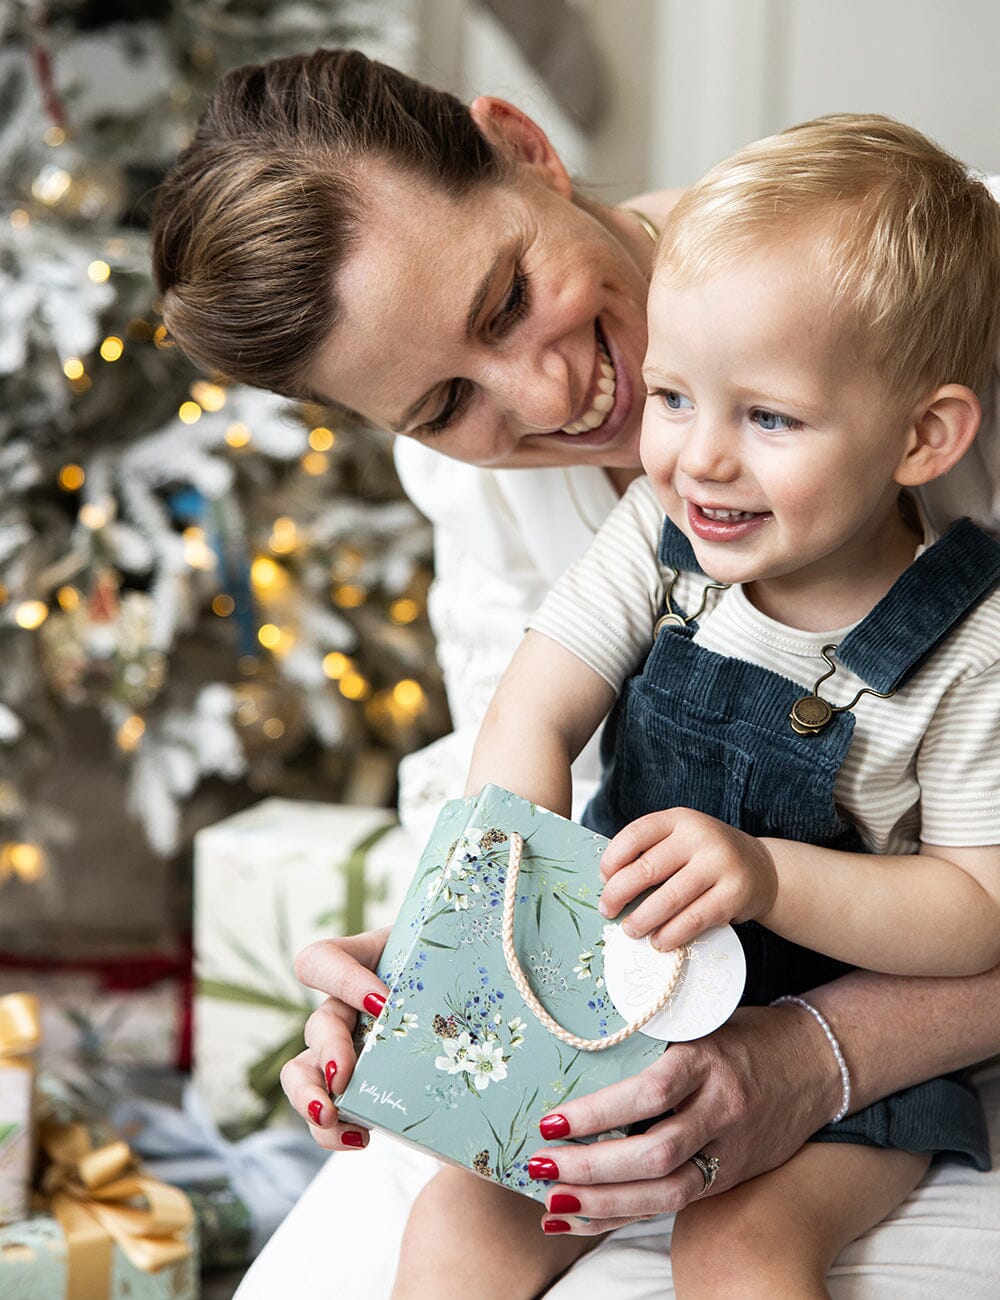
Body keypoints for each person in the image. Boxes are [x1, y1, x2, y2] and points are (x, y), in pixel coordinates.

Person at [150, 49, 1000, 1296]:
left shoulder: (928, 286)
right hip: (645, 984)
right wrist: (457, 951)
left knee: (742, 1254)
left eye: (504, 300)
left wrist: (808, 1045)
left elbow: (974, 895)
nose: (548, 395)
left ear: (527, 147)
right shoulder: (635, 521)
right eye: (444, 400)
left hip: (908, 1020)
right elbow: (515, 738)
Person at [391, 113, 1000, 1299]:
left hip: (847, 1032)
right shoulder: (654, 543)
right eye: (673, 395)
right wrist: (483, 920)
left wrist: (767, 875)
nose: (697, 460)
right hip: (620, 999)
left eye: (766, 416)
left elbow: (977, 911)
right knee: (456, 1221)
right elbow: (532, 714)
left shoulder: (970, 645)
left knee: (741, 1252)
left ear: (923, 436)